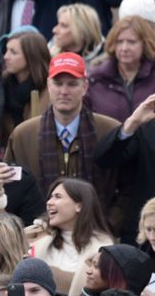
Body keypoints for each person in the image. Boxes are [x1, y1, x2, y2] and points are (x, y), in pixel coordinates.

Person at [6, 52, 124, 206]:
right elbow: (11, 188)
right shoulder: (23, 135)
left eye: (72, 84)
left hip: (97, 227)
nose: (64, 91)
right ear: (48, 85)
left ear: (85, 86)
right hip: (39, 227)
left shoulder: (110, 131)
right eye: (58, 83)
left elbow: (127, 188)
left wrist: (108, 225)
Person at [27, 178, 114, 296]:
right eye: (50, 197)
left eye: (57, 196)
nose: (49, 202)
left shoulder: (103, 251)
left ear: (80, 206)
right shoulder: (35, 237)